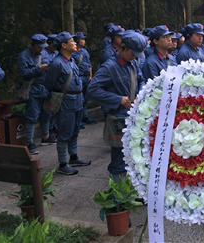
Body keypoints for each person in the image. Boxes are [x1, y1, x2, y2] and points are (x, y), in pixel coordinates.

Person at [87, 31, 147, 181]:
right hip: (119, 119)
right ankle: (117, 199)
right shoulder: (110, 67)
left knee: (133, 157)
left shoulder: (133, 63)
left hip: (134, 116)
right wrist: (117, 99)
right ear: (123, 47)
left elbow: (141, 79)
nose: (135, 57)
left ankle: (128, 192)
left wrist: (140, 92)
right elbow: (92, 89)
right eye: (133, 53)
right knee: (118, 160)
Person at [45, 32, 91, 175]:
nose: (75, 43)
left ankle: (74, 156)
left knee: (75, 130)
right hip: (65, 102)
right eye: (72, 41)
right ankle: (63, 164)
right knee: (64, 132)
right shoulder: (57, 63)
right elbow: (49, 84)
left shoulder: (70, 61)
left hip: (77, 100)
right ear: (64, 45)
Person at [17, 34, 54, 154]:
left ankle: (46, 137)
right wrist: (39, 69)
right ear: (33, 44)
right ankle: (30, 142)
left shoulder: (45, 53)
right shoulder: (24, 55)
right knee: (32, 116)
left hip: (45, 88)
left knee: (46, 113)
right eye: (40, 46)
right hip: (33, 88)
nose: (42, 49)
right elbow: (23, 73)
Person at [71, 32, 96, 125]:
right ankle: (78, 119)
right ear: (77, 40)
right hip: (79, 77)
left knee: (85, 98)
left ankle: (85, 116)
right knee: (78, 99)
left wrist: (90, 76)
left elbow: (89, 64)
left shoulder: (84, 52)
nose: (84, 41)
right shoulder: (73, 52)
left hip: (86, 77)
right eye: (82, 39)